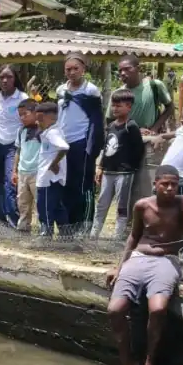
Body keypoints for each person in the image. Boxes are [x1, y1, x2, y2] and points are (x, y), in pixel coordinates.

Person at [105, 165, 183, 365]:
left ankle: (149, 362)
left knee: (158, 308)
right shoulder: (142, 205)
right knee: (114, 310)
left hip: (166, 260)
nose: (170, 188)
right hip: (138, 258)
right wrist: (119, 267)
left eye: (174, 184)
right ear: (155, 184)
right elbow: (133, 237)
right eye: (165, 184)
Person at [56, 54, 104, 234]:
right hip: (63, 144)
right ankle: (67, 224)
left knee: (82, 185)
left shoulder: (90, 91)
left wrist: (92, 147)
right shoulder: (61, 90)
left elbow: (96, 121)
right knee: (65, 184)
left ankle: (83, 224)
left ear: (83, 69)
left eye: (76, 68)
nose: (72, 72)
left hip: (81, 143)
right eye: (68, 69)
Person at [93, 89, 146, 239]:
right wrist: (100, 166)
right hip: (108, 172)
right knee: (102, 203)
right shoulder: (110, 126)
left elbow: (138, 149)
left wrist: (130, 167)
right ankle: (94, 234)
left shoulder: (131, 126)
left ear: (129, 107)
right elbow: (105, 148)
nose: (115, 108)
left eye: (119, 105)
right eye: (113, 105)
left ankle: (117, 236)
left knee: (121, 205)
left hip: (124, 173)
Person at [0, 67, 26, 227]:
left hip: (13, 146)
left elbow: (30, 119)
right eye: (1, 77)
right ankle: (0, 220)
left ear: (15, 78)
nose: (4, 80)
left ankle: (15, 222)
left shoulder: (22, 97)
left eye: (8, 77)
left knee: (10, 183)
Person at [34, 102, 69, 237]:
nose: (38, 122)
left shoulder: (52, 132)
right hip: (49, 178)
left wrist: (54, 163)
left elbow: (64, 147)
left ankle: (46, 234)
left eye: (40, 118)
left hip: (48, 179)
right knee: (57, 207)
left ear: (50, 117)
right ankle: (66, 234)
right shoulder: (49, 132)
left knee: (45, 207)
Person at [112, 55, 172, 132]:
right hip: (126, 138)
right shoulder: (118, 93)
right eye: (120, 70)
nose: (123, 73)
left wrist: (154, 129)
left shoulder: (154, 85)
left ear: (138, 68)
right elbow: (110, 119)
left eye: (127, 69)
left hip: (149, 138)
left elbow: (170, 107)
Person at [11, 100, 39, 232]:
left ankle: (42, 229)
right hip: (23, 172)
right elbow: (18, 150)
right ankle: (23, 228)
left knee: (40, 203)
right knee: (23, 203)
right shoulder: (21, 130)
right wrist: (14, 171)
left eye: (25, 114)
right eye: (20, 115)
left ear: (35, 113)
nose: (22, 118)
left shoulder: (42, 130)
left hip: (37, 172)